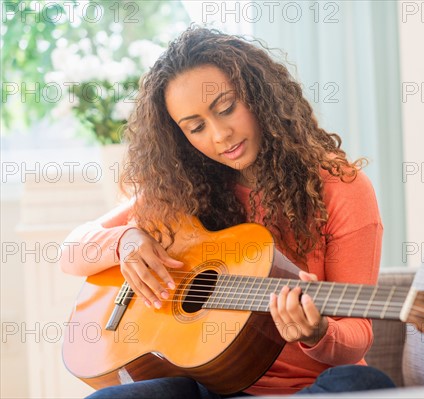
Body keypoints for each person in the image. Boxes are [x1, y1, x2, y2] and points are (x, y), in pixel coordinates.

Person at [59, 25, 395, 398]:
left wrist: (319, 333)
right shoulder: (179, 192)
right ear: (179, 137)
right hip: (209, 384)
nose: (220, 135)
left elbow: (358, 335)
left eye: (226, 108)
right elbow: (72, 250)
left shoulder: (340, 188)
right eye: (196, 127)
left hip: (307, 388)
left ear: (259, 95)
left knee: (364, 385)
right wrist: (127, 241)